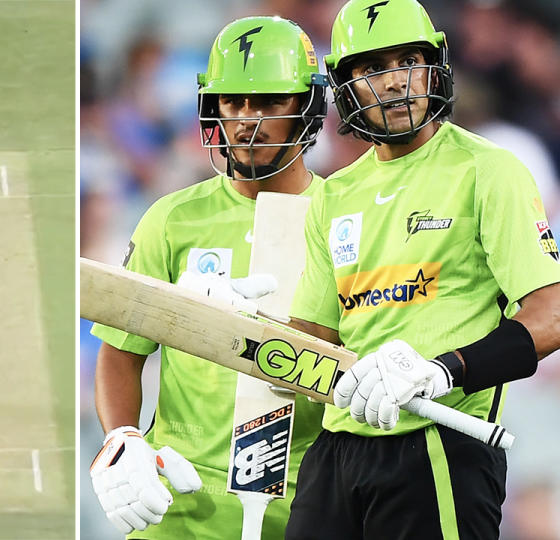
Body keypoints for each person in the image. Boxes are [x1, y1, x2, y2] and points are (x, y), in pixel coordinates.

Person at [285, 1, 560, 537]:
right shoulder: (334, 194)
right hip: (337, 450)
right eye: (370, 69)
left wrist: (441, 371)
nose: (393, 83)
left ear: (435, 66)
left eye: (406, 60)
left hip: (441, 438)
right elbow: (310, 341)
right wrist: (238, 321)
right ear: (344, 86)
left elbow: (551, 316)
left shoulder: (490, 169)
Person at [89, 17, 327, 538]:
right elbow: (120, 351)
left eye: (268, 102)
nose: (247, 120)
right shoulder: (172, 218)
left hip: (303, 507)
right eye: (233, 102)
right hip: (178, 502)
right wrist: (123, 439)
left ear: (307, 107)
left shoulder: (343, 219)